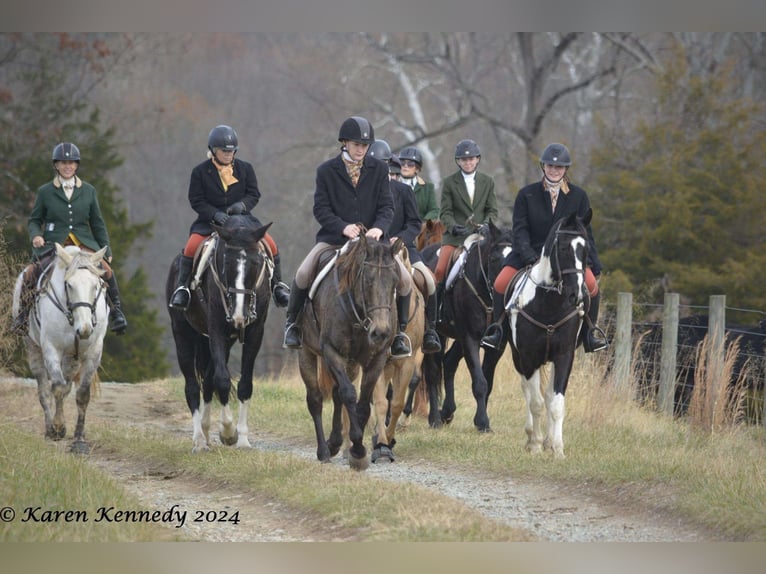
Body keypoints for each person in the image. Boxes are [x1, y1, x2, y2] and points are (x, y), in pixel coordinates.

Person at [282, 116, 414, 358]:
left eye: (365, 146)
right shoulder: (326, 171)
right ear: (344, 143)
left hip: (374, 243)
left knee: (405, 280)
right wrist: (344, 227)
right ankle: (292, 325)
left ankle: (399, 335)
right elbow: (321, 209)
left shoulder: (380, 169)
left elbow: (387, 207)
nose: (361, 150)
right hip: (335, 239)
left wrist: (379, 228)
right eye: (356, 145)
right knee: (303, 272)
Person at [479, 142, 608, 352]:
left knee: (592, 287)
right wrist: (530, 256)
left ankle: (590, 333)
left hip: (567, 258)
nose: (554, 170)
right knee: (501, 283)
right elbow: (520, 230)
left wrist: (593, 263)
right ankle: (497, 332)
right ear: (543, 167)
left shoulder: (579, 196)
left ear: (565, 169)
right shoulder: (526, 194)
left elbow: (586, 233)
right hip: (530, 253)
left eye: (559, 167)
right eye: (550, 166)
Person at [169, 125, 290, 310]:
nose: (228, 154)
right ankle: (183, 288)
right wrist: (215, 214)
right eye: (224, 151)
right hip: (210, 223)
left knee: (271, 244)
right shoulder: (200, 172)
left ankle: (278, 286)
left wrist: (241, 206)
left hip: (243, 222)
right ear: (213, 150)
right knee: (191, 246)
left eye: (231, 151)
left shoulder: (245, 169)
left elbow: (254, 194)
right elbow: (196, 200)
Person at [13, 142, 127, 335]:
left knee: (107, 271)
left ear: (76, 165)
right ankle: (22, 318)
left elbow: (97, 223)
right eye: (63, 162)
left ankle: (116, 313)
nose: (68, 166)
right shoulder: (45, 191)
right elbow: (34, 220)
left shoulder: (89, 191)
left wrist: (106, 249)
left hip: (84, 245)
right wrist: (36, 236)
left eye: (72, 163)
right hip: (54, 245)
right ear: (56, 165)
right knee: (32, 272)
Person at [370, 140, 440, 354]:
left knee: (428, 280)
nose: (389, 176)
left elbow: (413, 223)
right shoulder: (364, 192)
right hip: (374, 249)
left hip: (404, 248)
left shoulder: (403, 191)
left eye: (392, 173)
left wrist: (399, 238)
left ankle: (427, 330)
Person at [434, 139, 498, 288]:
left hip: (480, 237)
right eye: (464, 159)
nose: (468, 162)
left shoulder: (488, 181)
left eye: (471, 159)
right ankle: (437, 309)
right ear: (458, 161)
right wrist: (453, 227)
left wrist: (487, 224)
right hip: (455, 239)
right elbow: (445, 212)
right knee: (439, 271)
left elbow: (492, 210)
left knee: (497, 265)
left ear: (477, 159)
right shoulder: (449, 182)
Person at [398, 146, 439, 222]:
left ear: (417, 169)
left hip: (419, 229)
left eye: (410, 164)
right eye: (402, 162)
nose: (405, 166)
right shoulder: (391, 185)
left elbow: (434, 210)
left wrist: (423, 224)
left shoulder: (428, 187)